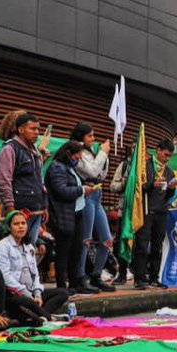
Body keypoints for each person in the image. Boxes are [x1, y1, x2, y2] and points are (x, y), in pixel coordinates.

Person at [0, 209, 69, 326]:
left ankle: (39, 317)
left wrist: (37, 294)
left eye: (23, 223)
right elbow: (5, 277)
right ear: (9, 227)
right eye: (16, 224)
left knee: (63, 293)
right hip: (12, 295)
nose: (21, 227)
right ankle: (49, 317)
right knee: (27, 302)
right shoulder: (2, 246)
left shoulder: (29, 247)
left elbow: (35, 275)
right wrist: (27, 294)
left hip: (31, 293)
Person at [71, 123, 115, 292]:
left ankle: (96, 275)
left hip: (97, 195)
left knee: (106, 238)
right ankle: (81, 276)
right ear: (81, 136)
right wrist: (103, 153)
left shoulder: (91, 151)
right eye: (90, 136)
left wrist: (105, 155)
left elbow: (101, 174)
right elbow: (91, 171)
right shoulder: (77, 151)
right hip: (86, 195)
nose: (93, 139)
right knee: (86, 239)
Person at [0, 112, 48, 244]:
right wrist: (11, 210)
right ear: (21, 129)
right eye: (32, 128)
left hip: (36, 212)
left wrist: (44, 206)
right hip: (19, 212)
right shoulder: (10, 149)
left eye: (38, 129)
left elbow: (40, 181)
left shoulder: (35, 151)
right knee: (13, 251)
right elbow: (4, 181)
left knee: (29, 251)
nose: (37, 132)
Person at [131, 138, 177, 290]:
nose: (167, 158)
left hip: (161, 211)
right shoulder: (145, 166)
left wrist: (171, 188)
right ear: (157, 151)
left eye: (170, 156)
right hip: (146, 210)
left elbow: (168, 195)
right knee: (142, 245)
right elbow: (138, 188)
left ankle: (154, 277)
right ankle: (139, 278)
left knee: (157, 245)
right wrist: (152, 185)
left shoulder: (169, 171)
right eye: (165, 155)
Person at [46, 139, 90, 294]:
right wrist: (82, 190)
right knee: (64, 251)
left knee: (76, 250)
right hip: (63, 215)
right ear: (68, 154)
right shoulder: (57, 167)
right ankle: (61, 285)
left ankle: (74, 283)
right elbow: (62, 190)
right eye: (76, 157)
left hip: (76, 213)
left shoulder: (69, 169)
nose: (77, 160)